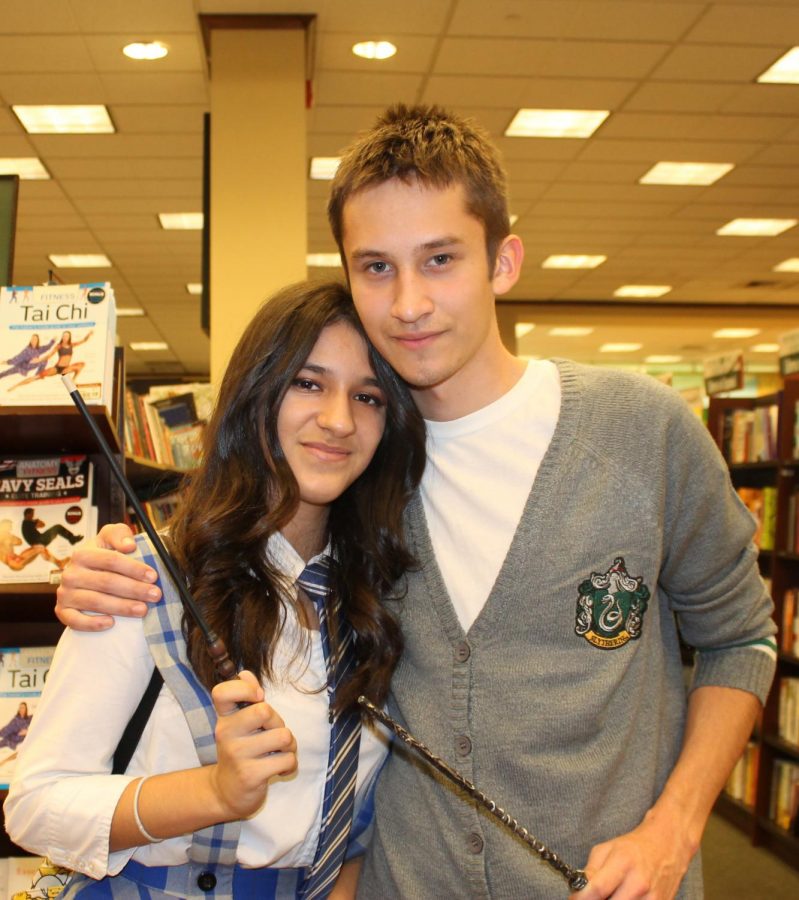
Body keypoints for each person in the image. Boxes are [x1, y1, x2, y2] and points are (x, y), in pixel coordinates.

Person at [50, 105, 776, 900]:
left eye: (438, 260)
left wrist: (673, 824)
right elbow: (254, 514)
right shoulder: (361, 463)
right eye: (375, 267)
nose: (407, 304)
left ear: (503, 262)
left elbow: (738, 636)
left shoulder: (642, 432)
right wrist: (113, 558)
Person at [4, 280, 426, 899]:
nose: (338, 420)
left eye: (368, 397)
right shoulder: (146, 577)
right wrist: (213, 792)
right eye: (308, 383)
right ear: (257, 393)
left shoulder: (382, 596)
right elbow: (36, 804)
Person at [8, 329, 93, 391]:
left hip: (66, 368)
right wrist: (39, 360)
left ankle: (73, 380)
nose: (65, 337)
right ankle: (15, 386)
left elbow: (83, 341)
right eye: (63, 336)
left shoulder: (71, 345)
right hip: (57, 368)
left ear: (69, 337)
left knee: (82, 364)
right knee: (37, 377)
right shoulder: (58, 346)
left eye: (66, 336)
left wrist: (88, 335)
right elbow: (49, 355)